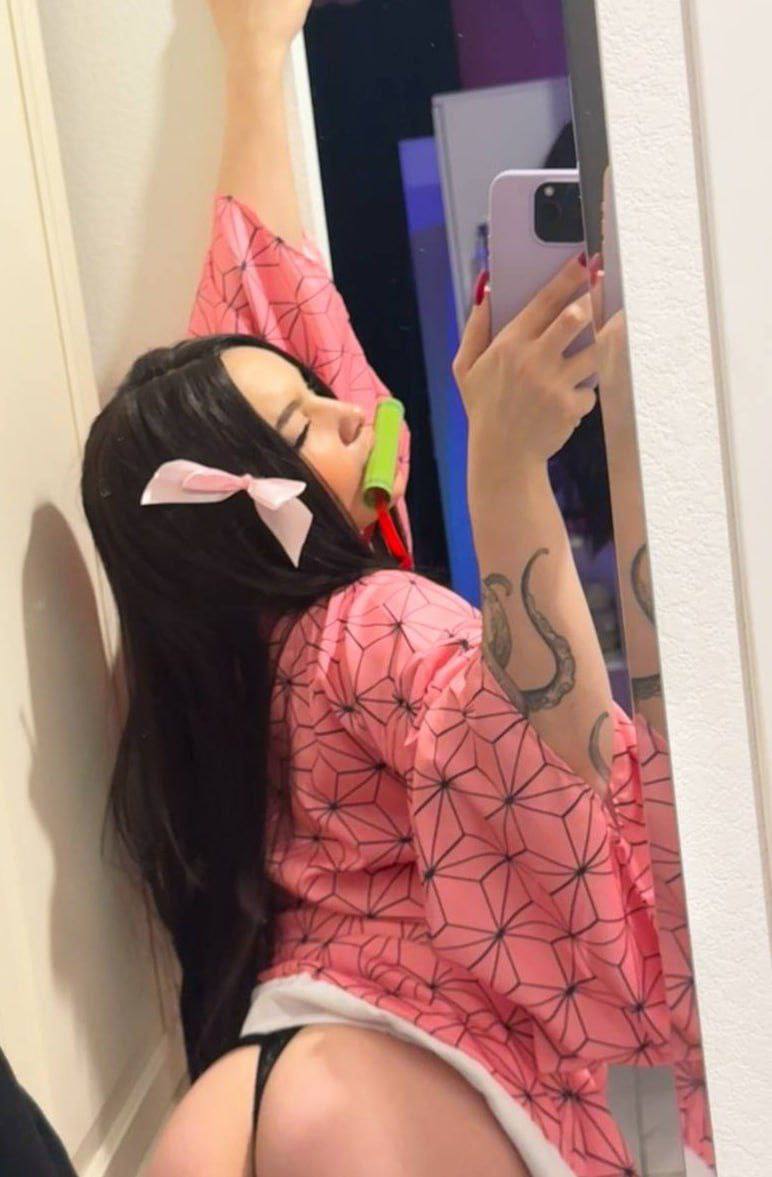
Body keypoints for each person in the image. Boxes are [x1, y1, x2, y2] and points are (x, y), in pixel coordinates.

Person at [82, 3, 684, 1176]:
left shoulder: (225, 663)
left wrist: (254, 59)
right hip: (409, 1072)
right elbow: (559, 824)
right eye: (309, 421)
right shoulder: (372, 622)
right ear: (250, 499)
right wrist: (505, 470)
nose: (356, 413)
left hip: (260, 1061)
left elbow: (266, 310)